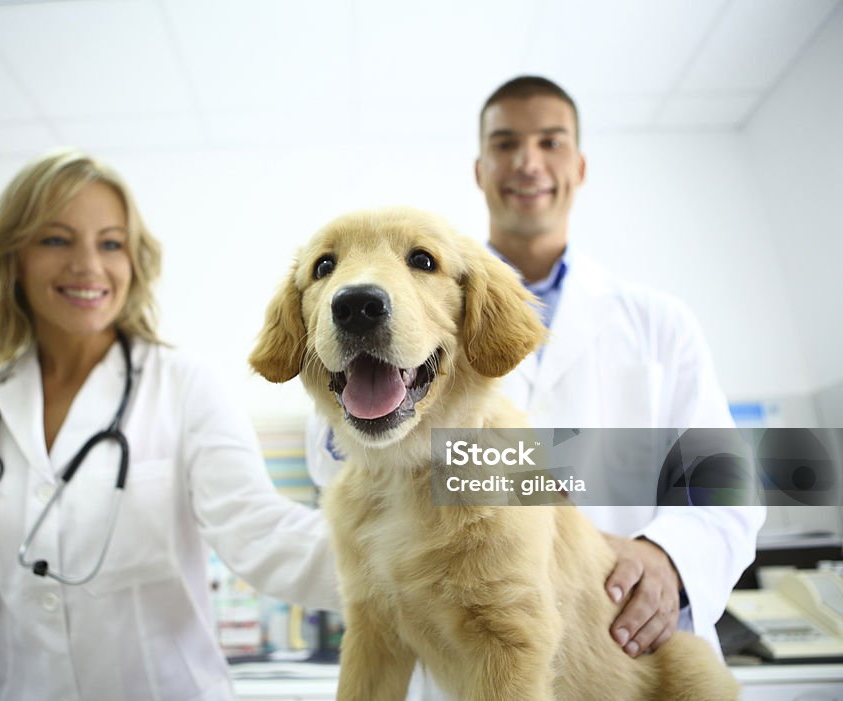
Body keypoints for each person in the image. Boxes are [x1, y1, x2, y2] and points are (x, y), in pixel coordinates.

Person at [307, 75, 764, 698]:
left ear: (578, 164)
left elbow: (731, 482)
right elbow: (335, 453)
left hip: (631, 653)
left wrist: (671, 555)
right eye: (505, 143)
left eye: (550, 142)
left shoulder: (658, 322)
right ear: (480, 168)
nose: (527, 161)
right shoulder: (380, 306)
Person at [0, 148, 338, 700]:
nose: (89, 266)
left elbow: (262, 534)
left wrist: (418, 555)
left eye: (110, 243)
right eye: (56, 239)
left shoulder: (184, 385)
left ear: (133, 261)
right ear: (15, 257)